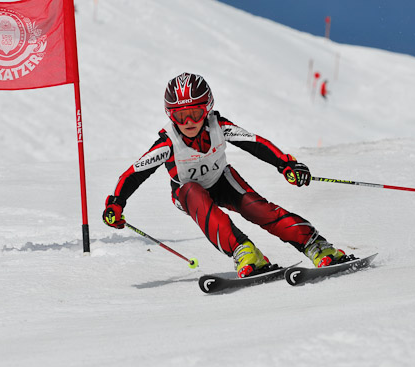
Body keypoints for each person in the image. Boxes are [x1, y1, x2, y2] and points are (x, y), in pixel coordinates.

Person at [103, 72, 350, 278]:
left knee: (258, 209)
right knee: (193, 193)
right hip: (187, 192)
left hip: (222, 180)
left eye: (196, 113)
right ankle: (244, 252)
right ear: (171, 116)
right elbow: (134, 173)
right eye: (180, 115)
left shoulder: (218, 126)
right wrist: (116, 203)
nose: (188, 121)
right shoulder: (168, 143)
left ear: (207, 109)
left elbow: (255, 142)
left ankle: (315, 245)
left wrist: (286, 165)